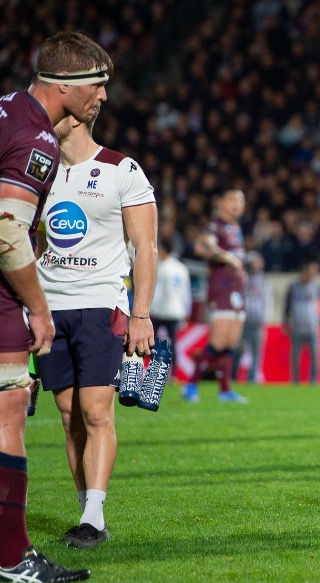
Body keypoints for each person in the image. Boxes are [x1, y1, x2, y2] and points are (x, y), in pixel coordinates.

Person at [0, 31, 111, 583]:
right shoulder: (38, 138)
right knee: (9, 412)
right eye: (97, 85)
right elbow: (6, 234)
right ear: (65, 87)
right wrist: (37, 308)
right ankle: (14, 558)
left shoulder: (5, 111)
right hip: (4, 300)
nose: (103, 97)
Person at [35, 111, 156, 548]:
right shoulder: (39, 172)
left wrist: (140, 313)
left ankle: (92, 515)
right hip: (49, 310)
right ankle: (90, 515)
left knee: (97, 412)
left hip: (102, 306)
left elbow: (146, 247)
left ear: (78, 115)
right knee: (69, 418)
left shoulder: (121, 169)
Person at [182, 189, 249, 403]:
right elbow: (202, 246)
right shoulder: (216, 226)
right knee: (219, 341)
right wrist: (227, 257)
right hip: (221, 288)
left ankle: (225, 390)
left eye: (240, 200)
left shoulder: (235, 228)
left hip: (236, 289)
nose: (237, 204)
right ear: (221, 202)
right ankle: (191, 385)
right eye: (231, 199)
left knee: (231, 342)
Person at [284, 261, 320, 384]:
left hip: (313, 327)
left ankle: (314, 381)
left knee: (315, 356)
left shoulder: (317, 286)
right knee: (295, 357)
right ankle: (295, 380)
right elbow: (287, 305)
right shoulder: (293, 286)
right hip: (297, 327)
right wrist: (286, 322)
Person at [151, 238, 191, 377]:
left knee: (153, 342)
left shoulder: (161, 267)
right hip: (177, 310)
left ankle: (154, 371)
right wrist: (187, 310)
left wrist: (150, 309)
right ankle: (173, 374)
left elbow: (157, 291)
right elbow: (187, 292)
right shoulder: (181, 267)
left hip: (161, 310)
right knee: (174, 344)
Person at [231, 251, 271, 383]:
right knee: (237, 350)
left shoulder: (263, 280)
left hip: (257, 322)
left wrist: (266, 317)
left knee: (256, 353)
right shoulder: (241, 278)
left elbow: (267, 300)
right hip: (242, 321)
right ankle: (233, 376)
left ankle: (252, 379)